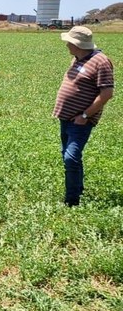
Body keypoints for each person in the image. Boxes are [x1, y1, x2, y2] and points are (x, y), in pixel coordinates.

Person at [52, 25, 114, 206]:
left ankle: (72, 201)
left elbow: (107, 93)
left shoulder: (101, 62)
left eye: (69, 42)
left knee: (71, 157)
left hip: (81, 120)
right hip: (67, 117)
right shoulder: (78, 58)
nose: (66, 45)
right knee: (69, 155)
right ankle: (78, 189)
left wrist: (85, 116)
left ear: (77, 44)